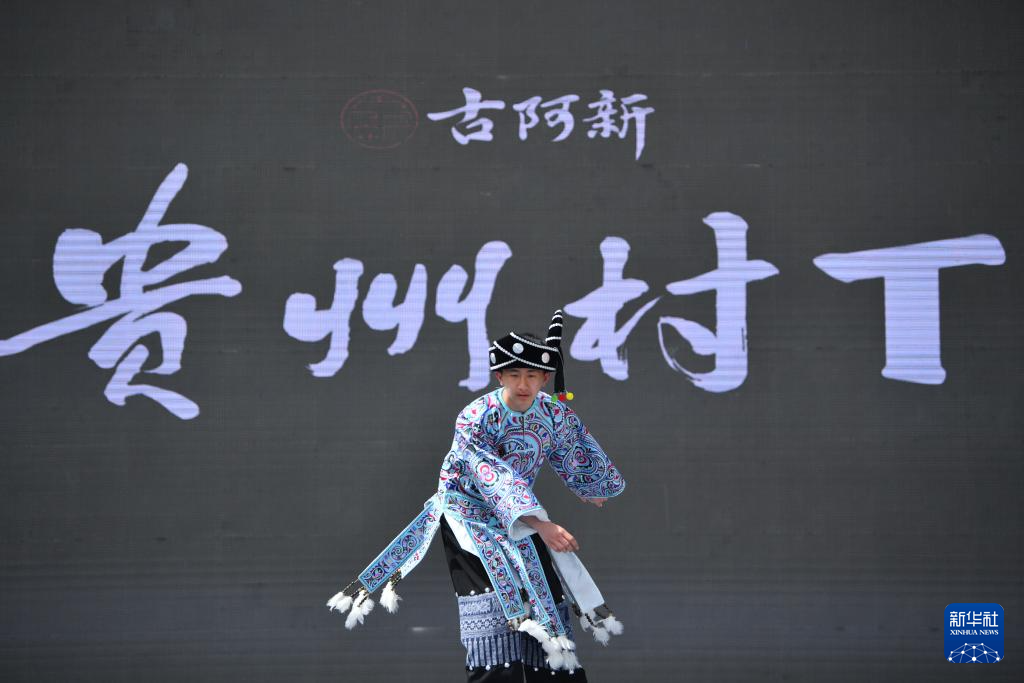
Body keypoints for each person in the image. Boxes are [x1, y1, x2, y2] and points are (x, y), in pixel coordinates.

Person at [326, 310, 627, 681]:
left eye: (532, 375)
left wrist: (591, 485)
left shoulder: (553, 414)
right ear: (499, 376)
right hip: (469, 518)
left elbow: (573, 446)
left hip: (518, 517)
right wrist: (541, 524)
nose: (523, 384)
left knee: (545, 602)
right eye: (514, 375)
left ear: (545, 378)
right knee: (495, 613)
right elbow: (492, 478)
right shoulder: (476, 416)